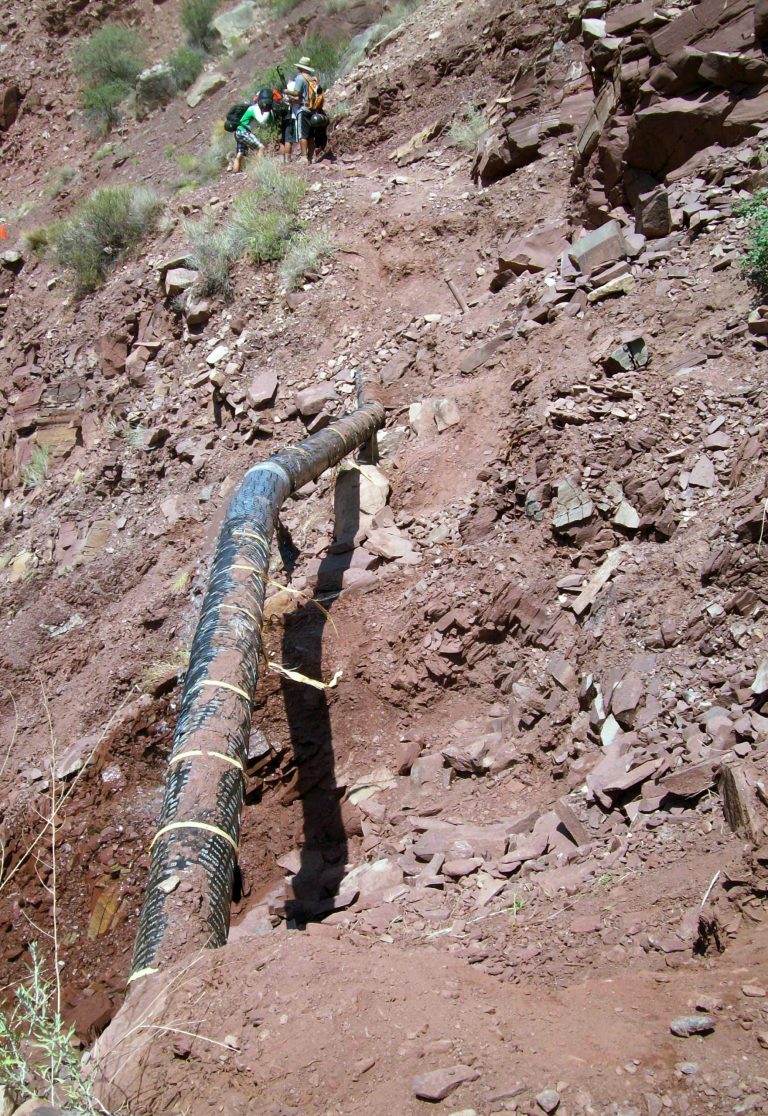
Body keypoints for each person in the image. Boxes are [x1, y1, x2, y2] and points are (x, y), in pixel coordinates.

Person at [292, 56, 326, 164]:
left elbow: (296, 93)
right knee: (311, 135)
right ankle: (311, 157)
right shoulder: (312, 79)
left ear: (300, 67)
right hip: (313, 110)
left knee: (303, 135)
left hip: (303, 109)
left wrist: (287, 91)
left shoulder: (300, 78)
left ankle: (303, 157)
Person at [232, 96, 271, 173]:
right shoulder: (254, 108)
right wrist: (268, 111)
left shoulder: (252, 108)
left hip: (238, 131)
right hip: (244, 132)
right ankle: (259, 168)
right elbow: (262, 121)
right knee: (261, 147)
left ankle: (235, 173)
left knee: (240, 154)